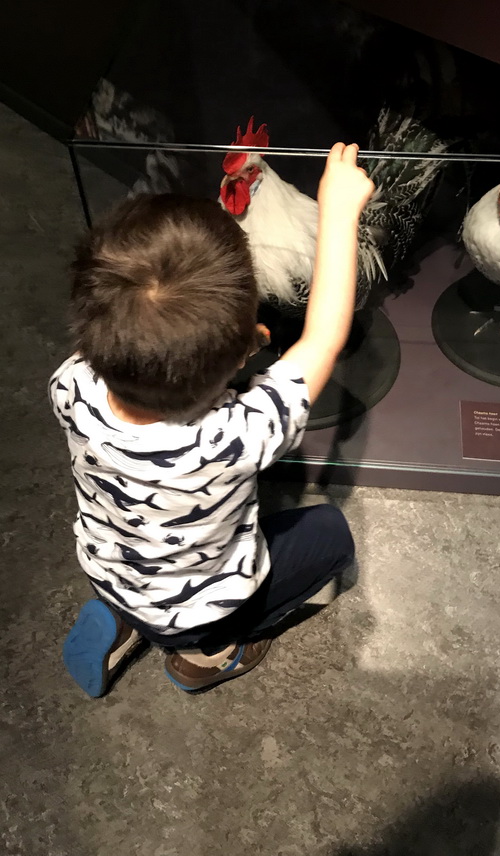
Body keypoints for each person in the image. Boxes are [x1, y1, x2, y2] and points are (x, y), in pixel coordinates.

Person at [51, 143, 374, 697]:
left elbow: (145, 330)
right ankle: (207, 657)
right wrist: (340, 216)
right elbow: (323, 338)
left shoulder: (69, 383)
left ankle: (122, 622)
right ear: (239, 357)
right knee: (331, 534)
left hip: (109, 568)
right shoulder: (237, 435)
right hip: (202, 612)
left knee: (142, 575)